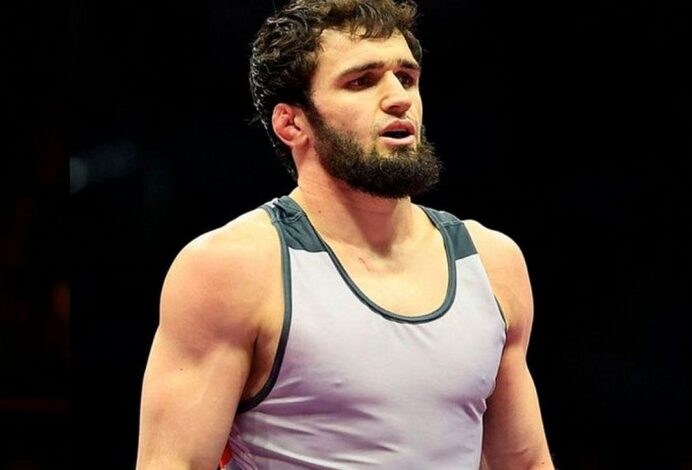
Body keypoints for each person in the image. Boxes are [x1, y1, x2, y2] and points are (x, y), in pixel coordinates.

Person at [136, 1, 554, 469]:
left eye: (406, 78)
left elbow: (526, 463)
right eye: (362, 81)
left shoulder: (491, 262)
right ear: (292, 123)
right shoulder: (232, 268)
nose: (398, 98)